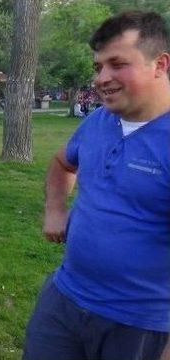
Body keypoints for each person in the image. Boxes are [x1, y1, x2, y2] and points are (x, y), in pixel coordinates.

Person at [23, 11, 170, 360]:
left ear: (160, 64)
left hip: (139, 326)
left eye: (117, 64)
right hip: (65, 299)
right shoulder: (99, 121)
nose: (102, 78)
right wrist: (55, 210)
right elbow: (62, 163)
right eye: (98, 67)